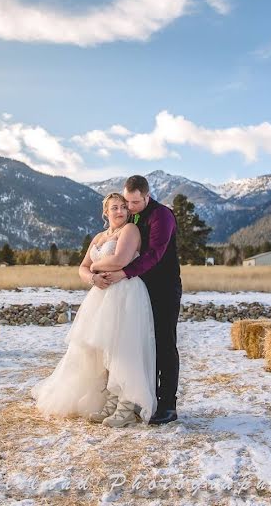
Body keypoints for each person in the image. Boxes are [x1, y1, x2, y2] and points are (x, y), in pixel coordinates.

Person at [30, 193, 157, 428]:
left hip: (125, 292)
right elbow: (82, 267)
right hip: (101, 295)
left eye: (122, 207)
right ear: (105, 212)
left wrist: (95, 266)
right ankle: (111, 402)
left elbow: (120, 261)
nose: (119, 211)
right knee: (104, 350)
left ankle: (126, 408)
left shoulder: (130, 230)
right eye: (114, 208)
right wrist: (92, 278)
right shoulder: (100, 237)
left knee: (124, 348)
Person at [95, 175, 182, 425]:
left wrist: (123, 272)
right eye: (127, 202)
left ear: (147, 196)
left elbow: (154, 254)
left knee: (165, 345)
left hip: (164, 289)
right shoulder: (132, 216)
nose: (129, 207)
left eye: (134, 202)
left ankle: (167, 405)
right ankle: (144, 400)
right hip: (138, 289)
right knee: (141, 345)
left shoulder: (162, 216)